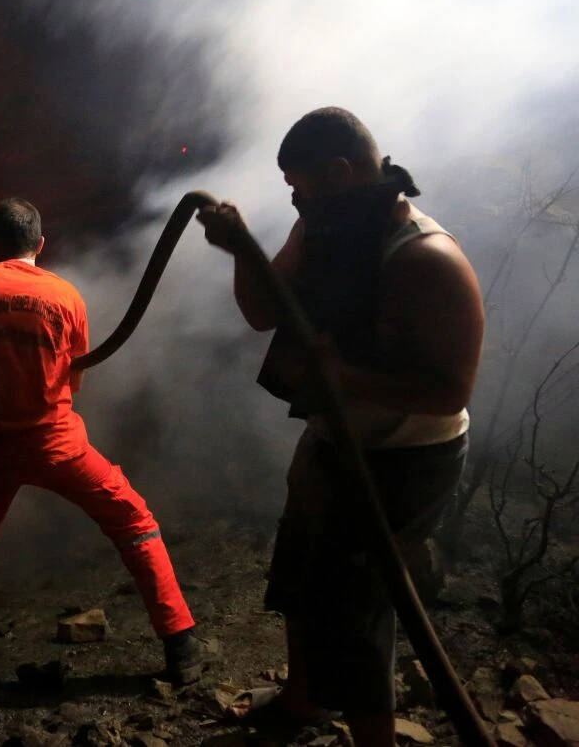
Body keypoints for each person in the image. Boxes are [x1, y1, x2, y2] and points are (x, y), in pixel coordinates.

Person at [196, 107, 484, 747]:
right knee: (300, 573)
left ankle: (373, 739)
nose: (294, 199)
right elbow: (263, 312)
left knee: (357, 606)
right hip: (333, 439)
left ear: (339, 170)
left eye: (299, 184)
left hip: (404, 459)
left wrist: (343, 376)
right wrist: (241, 251)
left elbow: (449, 392)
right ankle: (301, 701)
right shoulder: (321, 228)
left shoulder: (426, 258)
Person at [0, 198, 216, 690]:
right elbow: (71, 381)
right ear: (40, 243)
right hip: (57, 444)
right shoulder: (68, 296)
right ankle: (182, 644)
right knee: (134, 521)